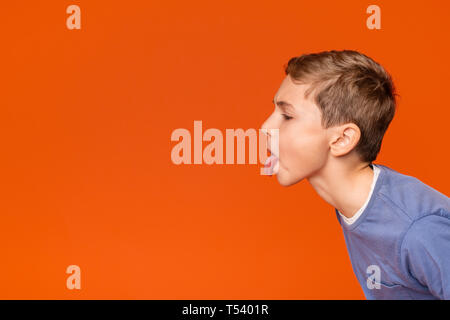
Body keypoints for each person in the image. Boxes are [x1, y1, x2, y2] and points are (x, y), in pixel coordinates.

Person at [261, 50, 450, 299]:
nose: (265, 127)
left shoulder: (419, 230)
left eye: (287, 116)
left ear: (342, 139)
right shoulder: (355, 207)